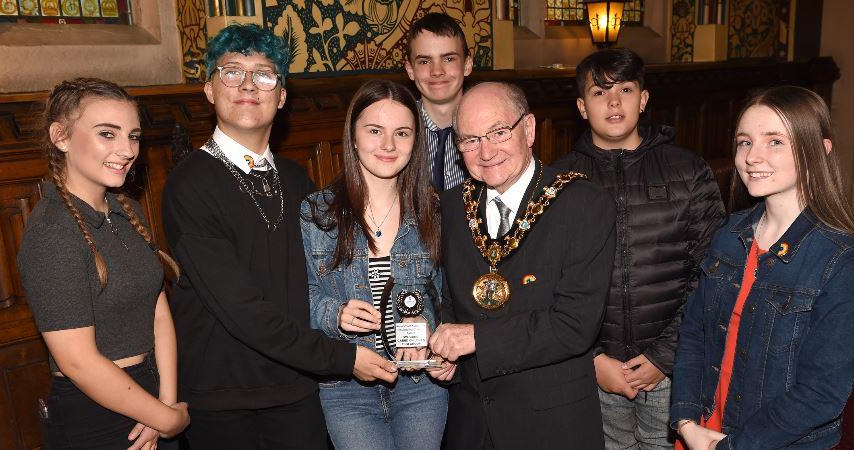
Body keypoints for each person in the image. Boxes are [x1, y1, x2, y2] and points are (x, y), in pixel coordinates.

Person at [161, 24, 397, 449]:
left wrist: (343, 312)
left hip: (298, 387)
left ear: (282, 96)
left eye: (264, 74)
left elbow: (318, 279)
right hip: (226, 395)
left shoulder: (295, 178)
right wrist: (344, 359)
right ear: (210, 90)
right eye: (232, 72)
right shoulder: (190, 183)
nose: (248, 85)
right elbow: (241, 309)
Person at [670, 85, 854, 450]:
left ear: (820, 151)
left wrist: (729, 447)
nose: (752, 157)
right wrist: (686, 420)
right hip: (703, 428)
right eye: (744, 142)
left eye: (775, 142)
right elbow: (695, 334)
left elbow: (822, 392)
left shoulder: (840, 258)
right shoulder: (730, 233)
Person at [552, 48, 726, 448]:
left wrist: (664, 356)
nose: (614, 102)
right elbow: (548, 281)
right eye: (599, 93)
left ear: (643, 99)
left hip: (671, 363)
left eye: (626, 89)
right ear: (582, 106)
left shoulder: (687, 170)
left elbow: (712, 272)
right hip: (597, 367)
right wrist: (592, 358)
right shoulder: (560, 180)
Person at [428, 81, 616, 449]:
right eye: (469, 140)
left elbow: (575, 324)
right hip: (471, 423)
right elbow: (450, 300)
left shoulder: (582, 203)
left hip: (551, 424)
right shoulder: (451, 207)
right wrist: (442, 348)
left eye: (498, 132)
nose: (485, 152)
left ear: (528, 129)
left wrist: (476, 339)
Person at [17, 77, 189, 449]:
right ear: (60, 137)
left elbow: (157, 310)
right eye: (107, 134)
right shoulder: (52, 232)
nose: (127, 150)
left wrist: (167, 403)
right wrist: (164, 418)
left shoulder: (126, 209)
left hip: (153, 390)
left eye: (133, 136)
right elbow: (78, 361)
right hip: (95, 412)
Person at [300, 79, 448, 449]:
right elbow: (299, 297)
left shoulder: (434, 212)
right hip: (346, 386)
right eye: (374, 131)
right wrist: (335, 313)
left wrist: (427, 322)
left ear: (415, 142)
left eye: (401, 133)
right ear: (353, 136)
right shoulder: (317, 213)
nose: (388, 145)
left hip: (420, 385)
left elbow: (449, 294)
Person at [405, 12, 473, 192]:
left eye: (449, 59)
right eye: (425, 61)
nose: (437, 71)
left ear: (467, 64)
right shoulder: (398, 131)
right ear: (410, 70)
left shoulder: (488, 130)